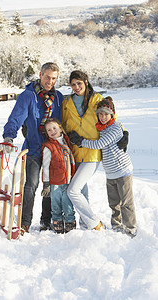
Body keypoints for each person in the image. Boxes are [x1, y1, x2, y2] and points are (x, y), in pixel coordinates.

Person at [1, 62, 64, 233]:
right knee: (31, 185)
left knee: (51, 185)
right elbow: (16, 117)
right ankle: (25, 221)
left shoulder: (58, 98)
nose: (49, 81)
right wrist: (9, 136)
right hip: (34, 148)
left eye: (53, 78)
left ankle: (46, 220)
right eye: (47, 77)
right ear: (40, 74)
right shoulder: (28, 96)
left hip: (53, 150)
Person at [62, 70, 128, 231]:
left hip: (93, 153)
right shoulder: (67, 103)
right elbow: (62, 124)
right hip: (75, 152)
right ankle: (85, 223)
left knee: (73, 190)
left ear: (86, 81)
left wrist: (124, 132)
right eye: (73, 84)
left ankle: (94, 223)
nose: (76, 87)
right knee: (81, 190)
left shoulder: (97, 99)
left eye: (79, 83)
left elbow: (111, 118)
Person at [69, 97, 137, 237]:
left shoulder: (115, 127)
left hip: (122, 171)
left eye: (106, 114)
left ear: (112, 114)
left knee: (126, 203)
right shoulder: (102, 128)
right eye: (100, 114)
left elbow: (98, 145)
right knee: (114, 204)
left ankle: (130, 230)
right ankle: (117, 227)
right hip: (110, 173)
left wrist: (80, 141)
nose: (103, 117)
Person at [41, 118, 76, 234]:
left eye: (54, 128)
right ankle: (57, 221)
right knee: (55, 204)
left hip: (68, 179)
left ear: (60, 128)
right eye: (49, 130)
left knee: (67, 202)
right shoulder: (48, 146)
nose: (52, 131)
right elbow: (45, 166)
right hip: (55, 182)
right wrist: (46, 184)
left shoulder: (66, 142)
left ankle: (70, 221)